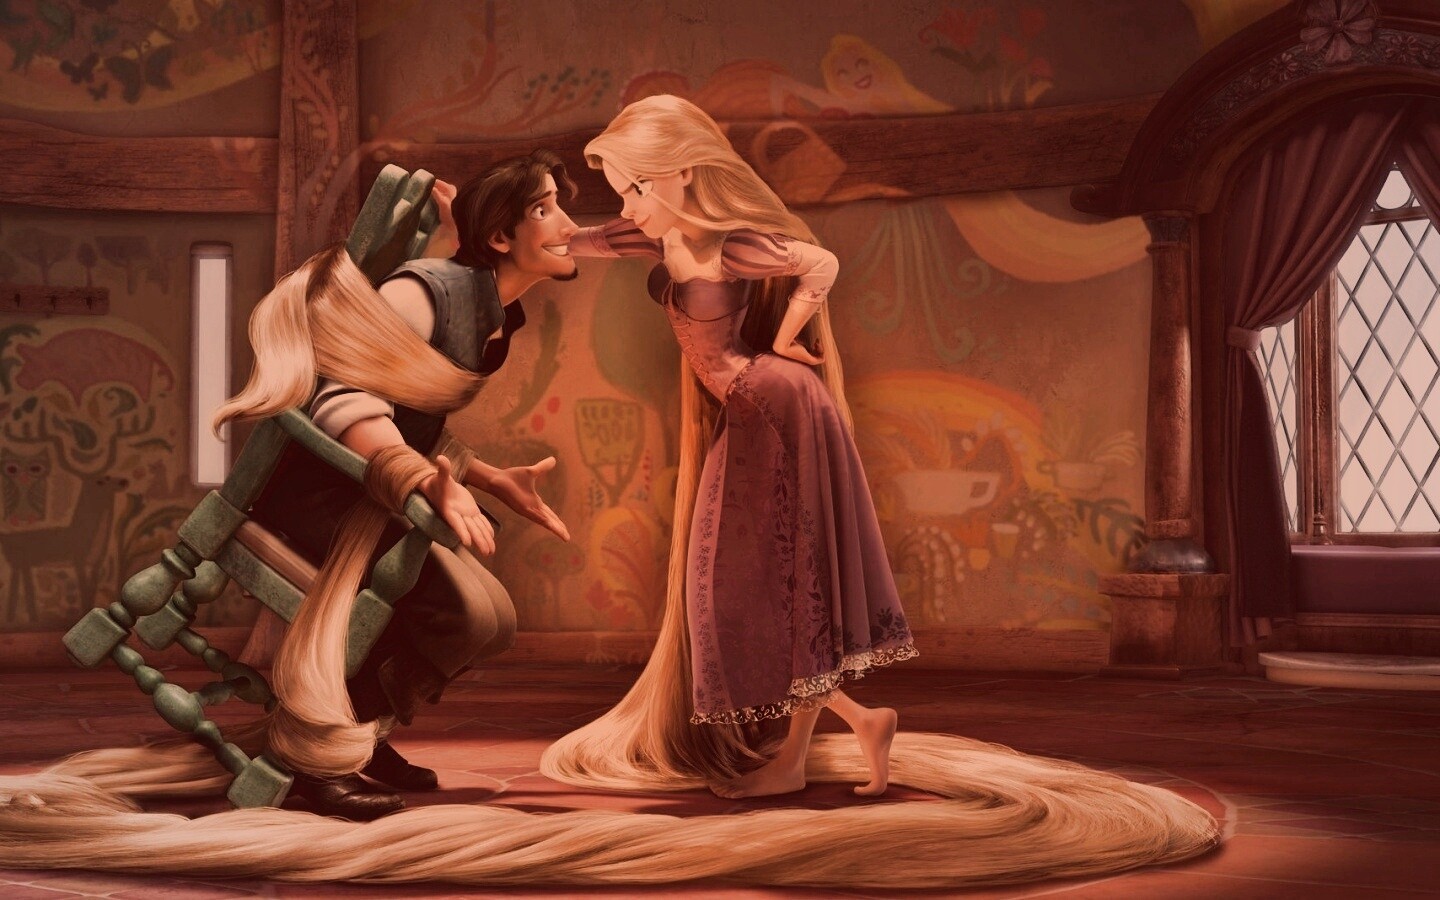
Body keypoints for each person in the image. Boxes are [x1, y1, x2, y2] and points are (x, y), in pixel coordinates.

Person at [545, 94, 916, 799]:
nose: (629, 204)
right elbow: (575, 243)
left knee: (778, 574)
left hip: (773, 404)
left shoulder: (728, 245)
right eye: (622, 191)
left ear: (684, 171)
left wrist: (785, 339)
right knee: (741, 582)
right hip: (750, 409)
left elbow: (821, 264)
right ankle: (855, 723)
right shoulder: (659, 238)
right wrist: (500, 228)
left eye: (638, 186)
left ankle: (802, 754)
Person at [227, 151, 579, 818]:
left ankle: (363, 736)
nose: (569, 225)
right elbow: (344, 401)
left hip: (367, 484)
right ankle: (314, 759)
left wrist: (490, 479)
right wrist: (422, 479)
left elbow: (412, 418)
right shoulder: (422, 293)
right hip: (317, 488)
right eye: (544, 208)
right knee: (462, 613)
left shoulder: (492, 312)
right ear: (500, 237)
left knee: (494, 619)